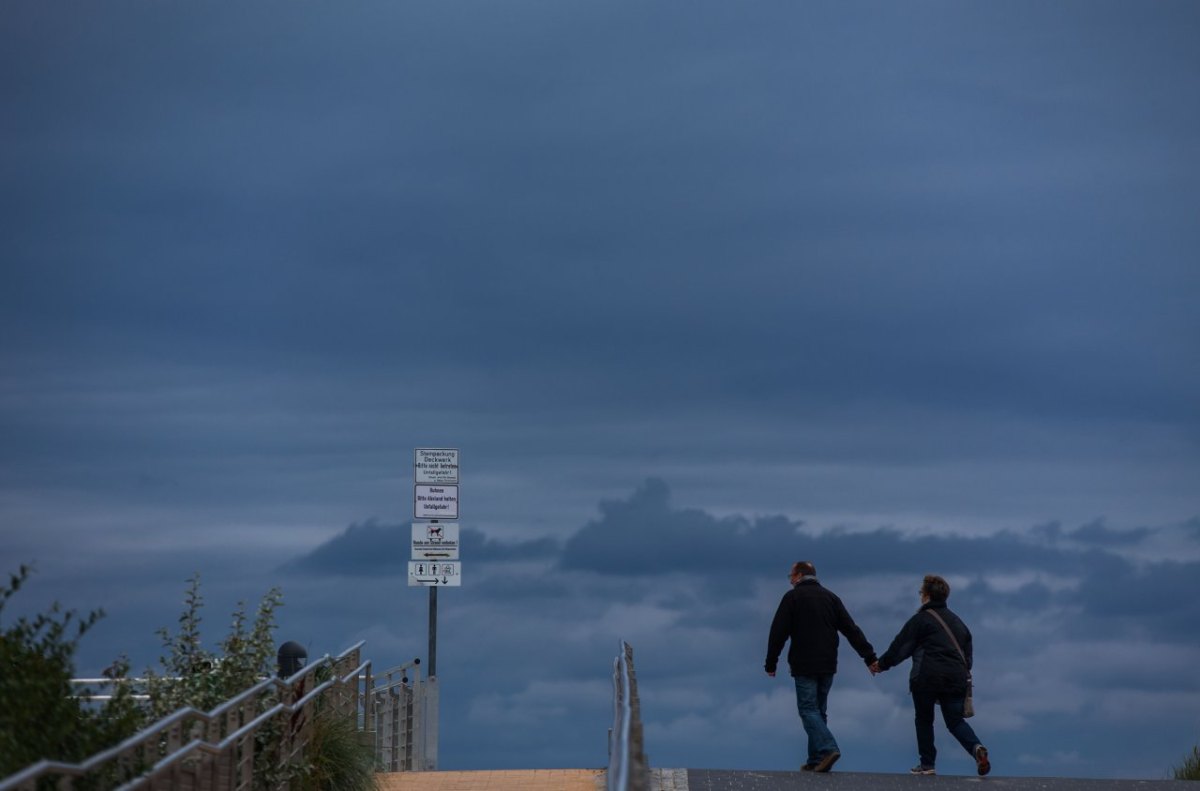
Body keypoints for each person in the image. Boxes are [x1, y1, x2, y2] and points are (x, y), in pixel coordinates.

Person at [870, 574, 991, 777]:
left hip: (927, 676)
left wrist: (881, 665)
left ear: (926, 596)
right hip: (956, 678)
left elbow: (901, 646)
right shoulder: (959, 623)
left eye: (921, 593)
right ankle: (976, 748)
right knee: (955, 722)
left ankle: (927, 765)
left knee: (924, 719)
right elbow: (967, 657)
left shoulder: (921, 620)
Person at [765, 560, 878, 773]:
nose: (789, 580)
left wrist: (771, 662)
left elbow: (778, 632)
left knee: (808, 709)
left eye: (790, 576)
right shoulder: (831, 598)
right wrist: (869, 657)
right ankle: (816, 759)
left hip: (804, 662)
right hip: (828, 663)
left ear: (799, 576)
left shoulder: (792, 598)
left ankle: (827, 748)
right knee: (819, 711)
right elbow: (851, 629)